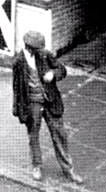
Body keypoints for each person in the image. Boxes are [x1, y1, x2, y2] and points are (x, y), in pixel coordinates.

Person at [12, 30, 83, 184]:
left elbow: (62, 70)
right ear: (29, 47)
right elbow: (17, 88)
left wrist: (53, 74)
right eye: (38, 49)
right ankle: (36, 166)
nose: (41, 51)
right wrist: (18, 110)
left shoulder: (45, 55)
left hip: (50, 101)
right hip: (32, 103)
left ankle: (68, 169)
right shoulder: (18, 62)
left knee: (60, 134)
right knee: (33, 136)